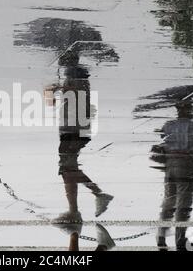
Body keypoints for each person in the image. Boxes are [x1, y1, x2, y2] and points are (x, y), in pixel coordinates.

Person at [52, 50, 114, 251]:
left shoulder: (77, 78)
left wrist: (60, 87)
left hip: (73, 127)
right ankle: (85, 206)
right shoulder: (78, 77)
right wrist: (61, 87)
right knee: (67, 168)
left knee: (67, 168)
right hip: (74, 127)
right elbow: (76, 92)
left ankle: (75, 216)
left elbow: (75, 92)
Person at [152, 102, 193, 251]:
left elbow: (163, 140)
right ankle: (180, 238)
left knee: (169, 201)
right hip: (185, 164)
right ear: (187, 110)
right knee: (183, 203)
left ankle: (161, 235)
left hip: (170, 164)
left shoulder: (168, 125)